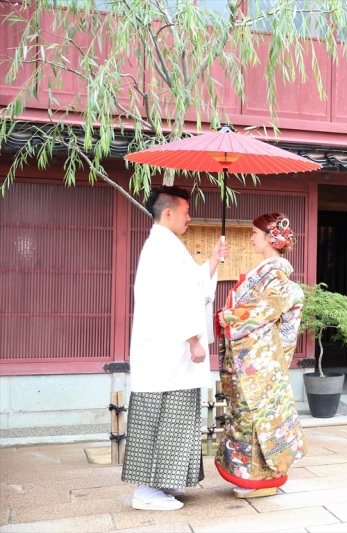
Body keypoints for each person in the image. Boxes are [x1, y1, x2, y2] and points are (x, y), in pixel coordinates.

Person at [122, 186, 229, 511]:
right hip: (165, 351)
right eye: (185, 211)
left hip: (171, 350)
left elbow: (190, 286)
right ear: (167, 213)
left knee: (175, 416)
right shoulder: (160, 248)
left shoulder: (166, 245)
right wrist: (194, 339)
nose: (189, 217)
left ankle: (163, 481)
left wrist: (212, 260)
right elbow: (170, 299)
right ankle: (145, 488)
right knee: (159, 416)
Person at [215, 212, 307, 499]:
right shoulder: (264, 274)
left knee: (257, 420)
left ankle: (260, 480)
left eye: (255, 233)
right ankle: (250, 476)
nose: (252, 237)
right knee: (245, 417)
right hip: (252, 358)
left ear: (270, 238)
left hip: (259, 362)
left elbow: (263, 312)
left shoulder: (276, 276)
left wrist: (227, 316)